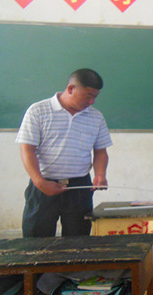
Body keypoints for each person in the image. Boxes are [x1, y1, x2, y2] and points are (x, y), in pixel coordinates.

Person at [16, 68, 112, 237]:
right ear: (71, 89)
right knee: (36, 240)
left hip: (79, 187)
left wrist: (100, 174)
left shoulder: (96, 117)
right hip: (44, 184)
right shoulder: (38, 111)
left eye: (95, 97)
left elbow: (100, 151)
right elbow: (27, 149)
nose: (91, 102)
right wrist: (39, 181)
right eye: (88, 96)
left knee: (78, 240)